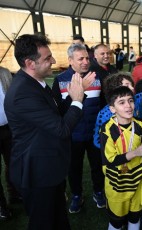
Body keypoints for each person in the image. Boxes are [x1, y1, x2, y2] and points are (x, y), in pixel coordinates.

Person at [4, 34, 84, 230]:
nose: (54, 61)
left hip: (48, 168)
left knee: (58, 219)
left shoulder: (35, 83)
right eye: (47, 58)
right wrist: (77, 100)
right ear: (30, 63)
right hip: (36, 173)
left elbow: (54, 116)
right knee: (43, 223)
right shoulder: (23, 92)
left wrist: (72, 97)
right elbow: (62, 129)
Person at [52, 43, 105, 214]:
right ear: (70, 60)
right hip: (72, 135)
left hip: (95, 134)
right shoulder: (60, 80)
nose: (85, 62)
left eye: (87, 58)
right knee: (74, 168)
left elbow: (103, 105)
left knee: (97, 165)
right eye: (80, 58)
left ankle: (98, 192)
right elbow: (58, 110)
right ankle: (77, 195)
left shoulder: (97, 77)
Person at [100, 86, 142, 230]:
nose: (128, 106)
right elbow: (110, 160)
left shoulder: (141, 126)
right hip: (117, 184)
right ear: (112, 109)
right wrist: (135, 153)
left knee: (135, 217)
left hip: (137, 182)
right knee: (117, 221)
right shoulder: (107, 129)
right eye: (121, 102)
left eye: (130, 101)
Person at [93, 73, 134, 149]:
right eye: (127, 85)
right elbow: (99, 139)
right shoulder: (105, 114)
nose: (132, 88)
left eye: (132, 85)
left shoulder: (135, 103)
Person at [0, 67, 13, 220]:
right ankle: (1, 206)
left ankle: (14, 193)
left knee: (13, 163)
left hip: (9, 128)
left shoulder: (4, 73)